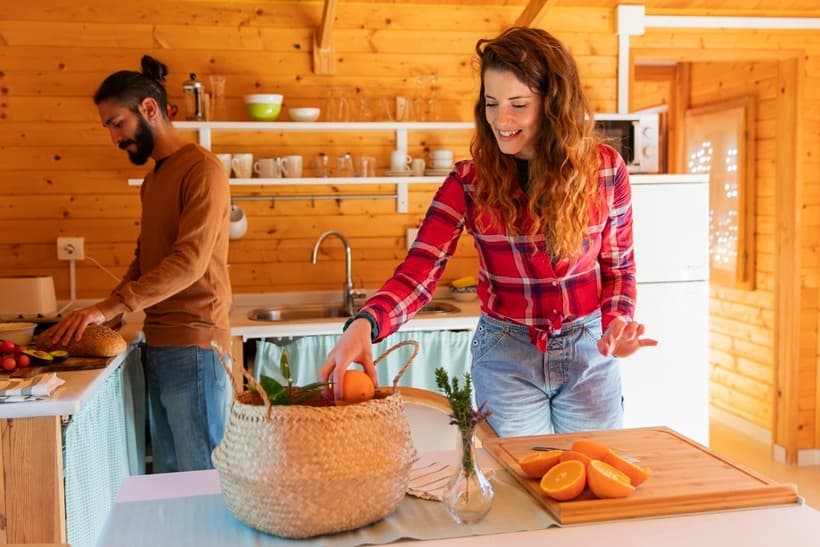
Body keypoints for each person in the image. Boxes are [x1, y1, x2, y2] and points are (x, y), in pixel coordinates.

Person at [320, 27, 657, 437]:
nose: (501, 120)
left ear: (554, 105)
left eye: (518, 104)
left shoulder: (605, 170)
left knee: (592, 480)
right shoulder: (468, 182)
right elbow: (418, 272)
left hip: (590, 349)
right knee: (519, 483)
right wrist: (365, 324)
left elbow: (619, 269)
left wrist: (618, 323)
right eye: (492, 103)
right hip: (506, 353)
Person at [46, 56, 233, 472]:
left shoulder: (202, 169)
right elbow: (144, 258)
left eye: (117, 123)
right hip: (161, 343)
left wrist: (111, 307)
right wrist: (108, 309)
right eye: (109, 128)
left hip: (197, 344)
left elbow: (189, 263)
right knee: (169, 475)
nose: (114, 137)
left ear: (148, 109)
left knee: (202, 481)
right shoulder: (153, 180)